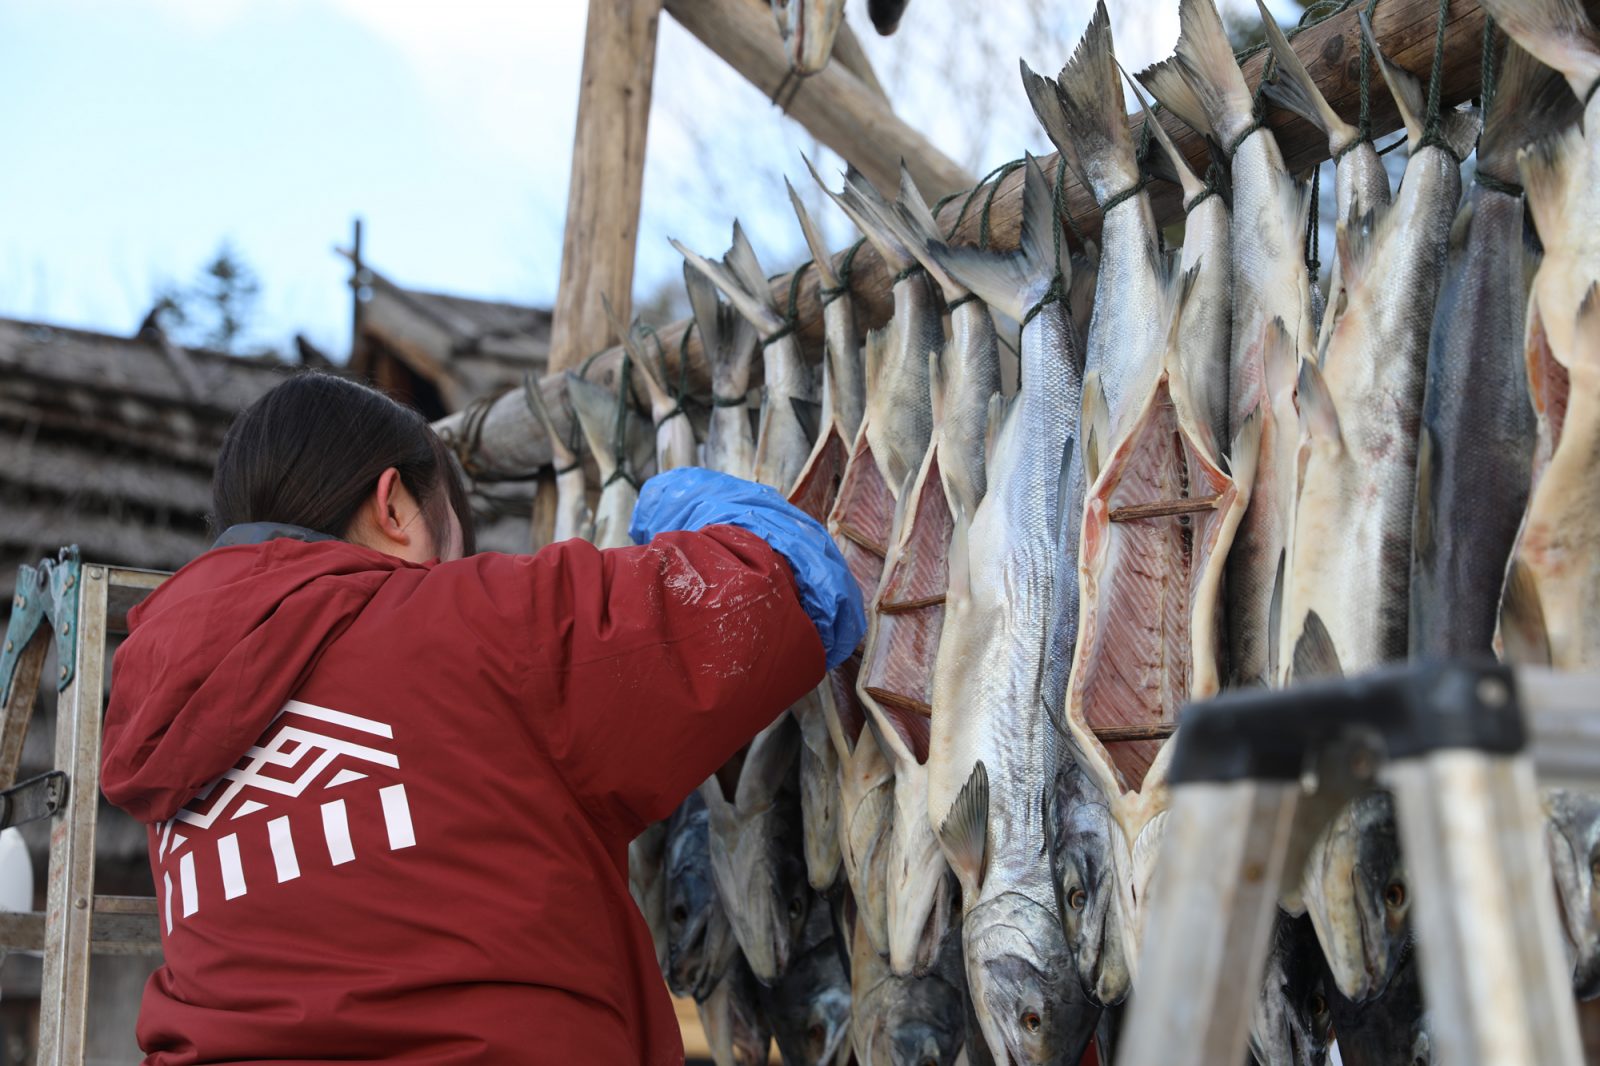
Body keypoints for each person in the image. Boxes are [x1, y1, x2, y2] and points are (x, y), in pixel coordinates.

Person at [100, 372, 865, 1065]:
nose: (457, 573)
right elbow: (792, 587)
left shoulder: (173, 717)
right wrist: (689, 504)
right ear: (394, 507)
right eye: (455, 542)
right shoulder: (474, 625)